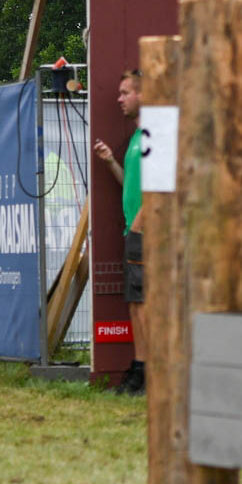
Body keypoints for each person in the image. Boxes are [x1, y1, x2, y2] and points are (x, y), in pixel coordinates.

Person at [94, 70, 145, 395]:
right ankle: (139, 371)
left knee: (146, 306)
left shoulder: (156, 135)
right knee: (137, 306)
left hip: (147, 234)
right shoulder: (138, 137)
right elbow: (132, 185)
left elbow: (165, 188)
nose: (119, 99)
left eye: (126, 92)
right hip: (135, 232)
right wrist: (111, 162)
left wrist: (140, 225)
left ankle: (149, 374)